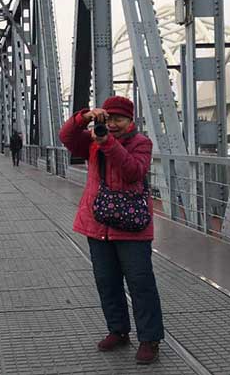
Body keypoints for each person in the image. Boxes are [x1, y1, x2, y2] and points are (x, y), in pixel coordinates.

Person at [59, 96, 163, 365]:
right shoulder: (92, 140)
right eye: (109, 119)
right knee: (107, 283)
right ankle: (118, 330)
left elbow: (132, 172)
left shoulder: (141, 143)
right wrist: (84, 117)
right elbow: (66, 137)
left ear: (131, 120)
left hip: (132, 228)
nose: (113, 124)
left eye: (119, 119)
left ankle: (150, 339)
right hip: (98, 225)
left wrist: (108, 144)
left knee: (141, 285)